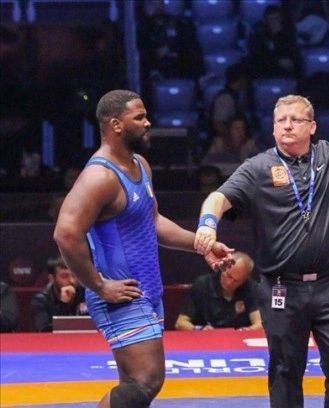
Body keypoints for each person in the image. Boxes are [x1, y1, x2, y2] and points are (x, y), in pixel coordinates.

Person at [194, 66, 329, 407]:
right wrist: (208, 225)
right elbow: (218, 198)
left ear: (312, 127)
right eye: (280, 120)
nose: (287, 125)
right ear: (272, 127)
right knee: (285, 370)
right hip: (282, 287)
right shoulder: (257, 168)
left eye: (295, 119)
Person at [53, 89, 234, 408]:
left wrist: (200, 244)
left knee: (135, 386)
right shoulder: (100, 176)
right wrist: (98, 285)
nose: (148, 123)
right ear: (115, 124)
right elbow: (66, 233)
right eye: (139, 117)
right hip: (120, 293)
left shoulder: (140, 165)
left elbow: (153, 221)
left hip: (145, 290)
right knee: (146, 379)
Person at [175, 251, 262, 331]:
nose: (229, 283)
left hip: (238, 339)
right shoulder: (203, 284)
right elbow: (180, 323)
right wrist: (200, 329)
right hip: (206, 339)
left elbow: (260, 324)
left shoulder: (251, 288)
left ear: (245, 279)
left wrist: (246, 331)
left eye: (236, 281)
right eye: (228, 276)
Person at [31, 254, 88, 332]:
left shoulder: (86, 294)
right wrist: (63, 304)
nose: (71, 281)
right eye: (64, 276)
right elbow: (45, 330)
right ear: (52, 278)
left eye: (74, 275)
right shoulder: (41, 300)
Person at [247, 5, 300, 79]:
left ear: (281, 18)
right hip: (265, 65)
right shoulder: (258, 32)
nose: (274, 22)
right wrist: (277, 61)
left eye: (276, 18)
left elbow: (291, 50)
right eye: (271, 19)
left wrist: (279, 35)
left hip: (284, 66)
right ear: (266, 21)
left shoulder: (288, 31)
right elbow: (256, 53)